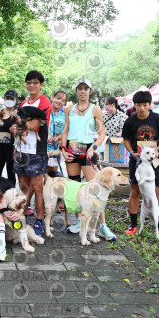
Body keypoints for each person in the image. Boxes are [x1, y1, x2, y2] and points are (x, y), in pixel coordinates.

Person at [60, 79, 111, 239]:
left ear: (90, 91)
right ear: (76, 91)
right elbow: (65, 130)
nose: (83, 91)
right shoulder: (69, 109)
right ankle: (78, 221)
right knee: (75, 187)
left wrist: (94, 147)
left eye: (86, 89)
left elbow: (102, 132)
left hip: (88, 151)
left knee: (96, 187)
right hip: (71, 150)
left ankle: (103, 226)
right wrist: (63, 150)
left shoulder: (95, 109)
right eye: (80, 88)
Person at [122, 90, 159, 238]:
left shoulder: (158, 119)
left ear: (150, 105)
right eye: (138, 105)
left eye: (145, 105)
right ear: (134, 105)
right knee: (135, 191)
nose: (142, 108)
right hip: (137, 160)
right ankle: (133, 225)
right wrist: (132, 152)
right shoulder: (130, 121)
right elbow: (125, 139)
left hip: (155, 160)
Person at [10, 70, 52, 236]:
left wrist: (19, 122)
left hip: (37, 151)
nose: (32, 85)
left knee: (37, 187)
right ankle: (23, 216)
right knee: (23, 186)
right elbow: (17, 126)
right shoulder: (23, 103)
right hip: (21, 149)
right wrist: (14, 129)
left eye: (35, 82)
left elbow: (34, 126)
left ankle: (39, 220)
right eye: (29, 82)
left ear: (41, 85)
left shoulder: (45, 103)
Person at [0, 90, 18, 186]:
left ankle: (12, 192)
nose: (9, 100)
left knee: (11, 172)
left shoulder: (16, 114)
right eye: (7, 98)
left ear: (16, 101)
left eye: (11, 99)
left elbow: (20, 131)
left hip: (11, 148)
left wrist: (16, 148)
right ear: (4, 99)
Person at [47, 91, 67, 174]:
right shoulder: (45, 111)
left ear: (65, 103)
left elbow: (63, 133)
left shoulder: (63, 116)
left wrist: (58, 138)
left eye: (63, 100)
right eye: (58, 98)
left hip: (53, 149)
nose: (60, 101)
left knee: (52, 175)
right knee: (38, 176)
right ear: (53, 97)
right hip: (40, 149)